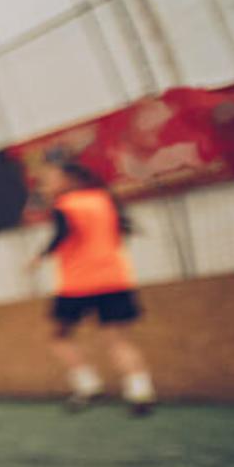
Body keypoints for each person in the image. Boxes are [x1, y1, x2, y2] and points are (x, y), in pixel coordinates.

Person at [28, 158, 156, 414]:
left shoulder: (66, 205)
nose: (45, 186)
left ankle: (88, 386)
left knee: (60, 337)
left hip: (78, 284)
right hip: (115, 279)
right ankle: (140, 391)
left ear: (69, 180)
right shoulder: (104, 200)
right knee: (119, 340)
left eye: (50, 179)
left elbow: (62, 233)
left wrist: (40, 257)